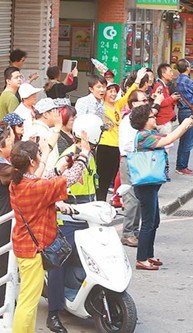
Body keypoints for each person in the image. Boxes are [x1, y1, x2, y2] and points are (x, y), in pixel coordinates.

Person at [9, 137, 88, 333]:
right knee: (28, 301)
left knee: (29, 297)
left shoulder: (18, 182)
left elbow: (45, 180)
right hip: (32, 250)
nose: (41, 158)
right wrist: (84, 155)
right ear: (32, 163)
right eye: (40, 155)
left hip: (25, 246)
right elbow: (66, 181)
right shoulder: (35, 188)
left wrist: (61, 167)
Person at [46, 115, 97, 333]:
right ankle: (53, 312)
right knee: (59, 260)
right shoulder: (71, 156)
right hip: (66, 219)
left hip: (87, 217)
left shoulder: (90, 155)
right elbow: (59, 182)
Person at [129, 104, 193, 270]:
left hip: (153, 183)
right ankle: (141, 259)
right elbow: (169, 139)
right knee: (148, 222)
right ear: (144, 121)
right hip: (146, 185)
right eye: (151, 117)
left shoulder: (151, 133)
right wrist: (184, 125)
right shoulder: (143, 136)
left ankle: (149, 255)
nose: (154, 118)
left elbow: (168, 136)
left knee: (154, 220)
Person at [95, 68, 145, 202]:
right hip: (104, 146)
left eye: (114, 91)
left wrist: (138, 80)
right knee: (102, 177)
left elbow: (129, 95)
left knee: (110, 176)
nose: (113, 94)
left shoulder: (117, 105)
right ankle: (100, 202)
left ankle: (105, 201)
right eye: (110, 91)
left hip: (116, 146)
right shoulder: (100, 106)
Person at [117, 90, 151, 247]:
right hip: (130, 160)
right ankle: (128, 233)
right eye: (143, 100)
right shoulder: (128, 121)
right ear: (134, 104)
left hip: (138, 160)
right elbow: (127, 145)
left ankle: (135, 231)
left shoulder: (140, 120)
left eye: (147, 100)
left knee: (139, 198)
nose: (146, 103)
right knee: (131, 198)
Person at [175, 58, 193, 176]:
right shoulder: (185, 80)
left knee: (184, 139)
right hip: (188, 112)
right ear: (187, 68)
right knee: (188, 140)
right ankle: (182, 166)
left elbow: (189, 89)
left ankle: (181, 165)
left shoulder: (180, 80)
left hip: (183, 111)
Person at [23, 98, 62, 175]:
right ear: (45, 114)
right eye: (55, 111)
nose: (58, 114)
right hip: (44, 178)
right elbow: (48, 160)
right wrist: (58, 127)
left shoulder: (43, 129)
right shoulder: (40, 132)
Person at [0, 121, 14, 313]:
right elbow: (29, 177)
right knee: (3, 262)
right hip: (3, 219)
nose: (14, 143)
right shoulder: (4, 168)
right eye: (11, 140)